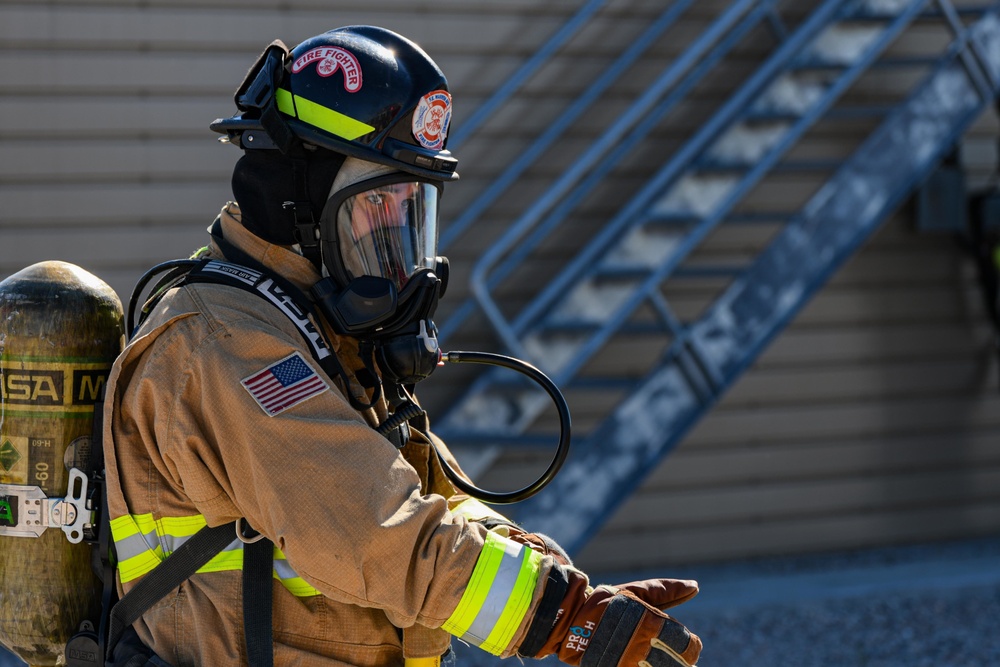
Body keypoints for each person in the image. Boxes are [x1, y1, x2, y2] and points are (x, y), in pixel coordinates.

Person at [102, 25, 703, 667]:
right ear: (300, 197)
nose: (401, 245)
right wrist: (563, 616)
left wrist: (536, 565)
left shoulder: (311, 326)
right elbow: (374, 535)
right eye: (379, 206)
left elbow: (427, 494)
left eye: (411, 211)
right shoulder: (224, 343)